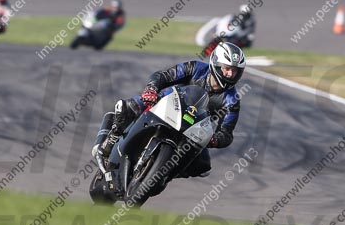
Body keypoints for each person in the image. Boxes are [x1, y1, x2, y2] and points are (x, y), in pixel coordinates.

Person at [93, 42, 246, 180]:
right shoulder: (196, 68)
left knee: (203, 166)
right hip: (166, 104)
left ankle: (164, 175)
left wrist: (215, 140)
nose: (230, 74)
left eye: (235, 71)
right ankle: (109, 143)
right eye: (227, 69)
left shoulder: (232, 100)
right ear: (216, 64)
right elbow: (164, 76)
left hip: (193, 129)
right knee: (125, 107)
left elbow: (227, 133)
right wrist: (151, 89)